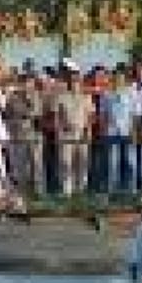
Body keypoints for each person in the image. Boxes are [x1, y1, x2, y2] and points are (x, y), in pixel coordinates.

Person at [55, 67, 95, 195]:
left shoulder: (87, 97)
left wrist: (88, 131)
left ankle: (81, 190)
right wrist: (60, 129)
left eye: (77, 81)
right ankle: (67, 191)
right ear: (69, 83)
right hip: (66, 133)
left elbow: (91, 116)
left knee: (82, 162)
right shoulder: (62, 97)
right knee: (66, 162)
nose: (75, 83)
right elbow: (58, 116)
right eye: (72, 81)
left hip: (82, 132)